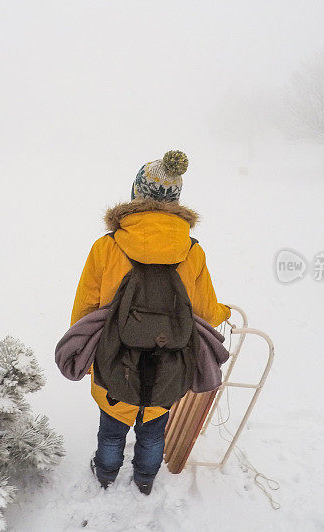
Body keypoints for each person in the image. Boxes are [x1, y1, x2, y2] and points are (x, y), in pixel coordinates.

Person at [70, 150, 231, 494]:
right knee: (154, 426)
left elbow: (86, 305)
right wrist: (225, 312)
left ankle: (106, 473)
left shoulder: (107, 246)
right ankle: (145, 478)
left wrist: (84, 357)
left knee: (112, 426)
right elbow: (204, 309)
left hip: (115, 359)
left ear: (136, 195)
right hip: (170, 360)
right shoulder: (191, 250)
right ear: (175, 202)